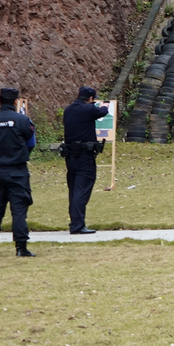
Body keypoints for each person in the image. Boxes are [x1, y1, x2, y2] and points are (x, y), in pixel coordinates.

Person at [0, 87, 37, 257]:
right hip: (17, 171)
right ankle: (21, 247)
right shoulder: (23, 121)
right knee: (19, 210)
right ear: (15, 102)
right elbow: (31, 143)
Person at [60, 87, 110, 235]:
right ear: (90, 99)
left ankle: (75, 222)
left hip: (70, 156)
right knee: (81, 189)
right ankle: (77, 225)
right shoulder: (88, 109)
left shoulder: (68, 109)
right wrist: (104, 106)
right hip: (84, 156)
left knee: (74, 188)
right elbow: (102, 112)